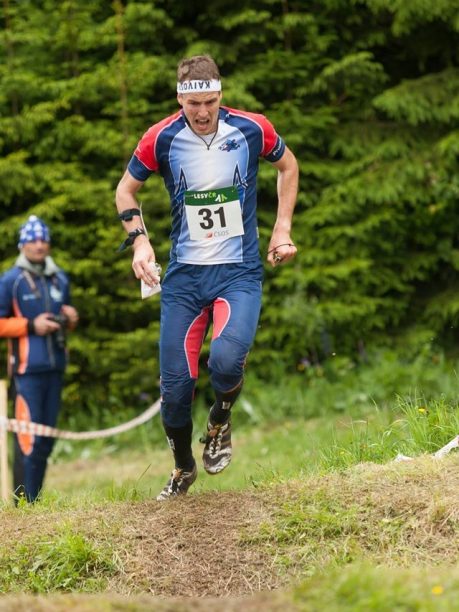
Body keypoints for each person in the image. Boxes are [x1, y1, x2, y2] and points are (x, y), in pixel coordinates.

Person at [115, 54, 298, 501]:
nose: (201, 113)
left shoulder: (253, 129)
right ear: (180, 97)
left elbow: (288, 166)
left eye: (211, 102)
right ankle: (182, 468)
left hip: (238, 272)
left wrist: (282, 228)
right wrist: (140, 241)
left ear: (221, 95)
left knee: (226, 361)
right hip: (184, 281)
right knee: (175, 390)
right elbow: (125, 189)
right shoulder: (160, 138)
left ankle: (219, 420)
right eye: (193, 104)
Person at [0, 215, 79, 503]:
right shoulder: (11, 280)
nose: (39, 244)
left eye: (43, 239)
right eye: (33, 239)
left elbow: (66, 319)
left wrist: (70, 319)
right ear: (23, 244)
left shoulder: (59, 277)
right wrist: (32, 326)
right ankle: (23, 505)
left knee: (46, 440)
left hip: (55, 368)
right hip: (26, 372)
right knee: (28, 441)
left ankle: (36, 502)